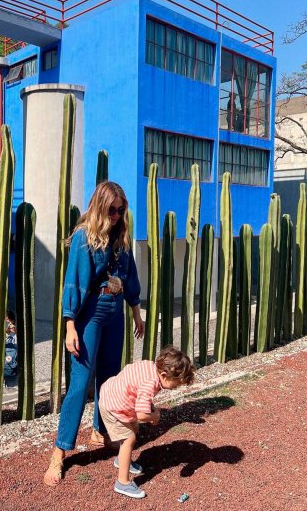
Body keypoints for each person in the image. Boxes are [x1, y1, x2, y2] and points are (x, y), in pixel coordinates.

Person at [44, 181, 145, 487]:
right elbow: (73, 281)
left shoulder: (120, 237)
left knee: (110, 378)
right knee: (79, 382)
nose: (116, 215)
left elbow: (129, 275)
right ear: (100, 207)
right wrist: (70, 325)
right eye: (112, 209)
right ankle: (60, 452)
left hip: (116, 313)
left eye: (121, 209)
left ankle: (101, 429)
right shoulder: (83, 237)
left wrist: (136, 310)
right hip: (91, 313)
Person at [99, 346, 195, 499]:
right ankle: (122, 483)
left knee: (133, 430)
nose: (175, 388)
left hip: (113, 394)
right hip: (113, 407)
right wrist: (154, 416)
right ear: (164, 375)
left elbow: (137, 388)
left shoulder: (150, 366)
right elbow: (142, 415)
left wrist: (150, 408)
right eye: (175, 385)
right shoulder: (150, 384)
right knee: (128, 439)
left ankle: (122, 460)